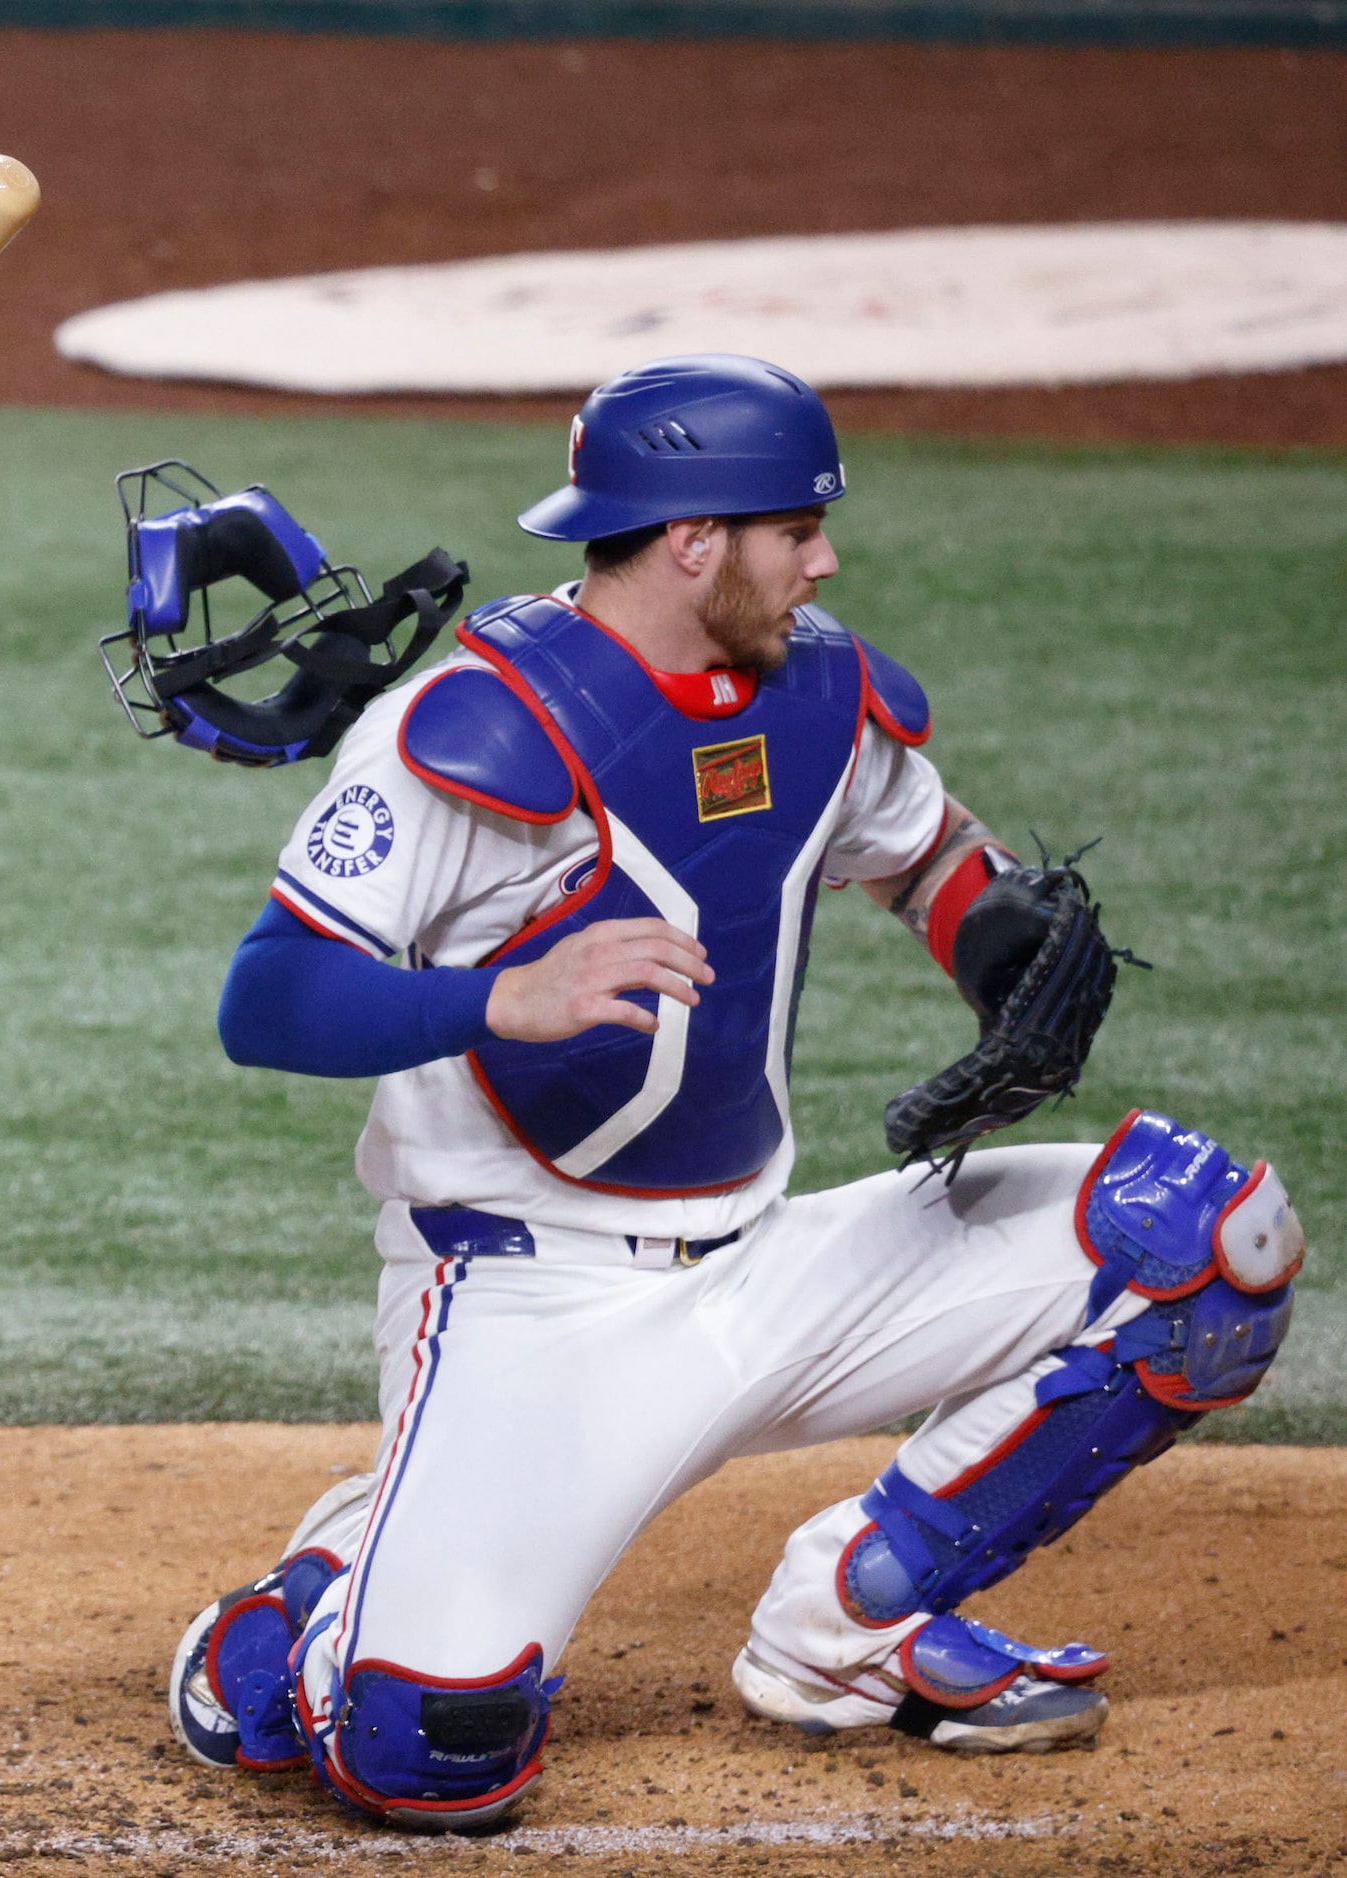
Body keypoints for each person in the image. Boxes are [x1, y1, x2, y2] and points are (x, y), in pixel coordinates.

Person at [165, 354, 1306, 1830]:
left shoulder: (818, 688)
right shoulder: (472, 729)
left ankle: (848, 1623)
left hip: (766, 1268)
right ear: (692, 537)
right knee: (427, 1754)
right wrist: (497, 993)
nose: (822, 557)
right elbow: (264, 1000)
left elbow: (920, 856)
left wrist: (997, 941)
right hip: (530, 1300)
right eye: (794, 527)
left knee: (1210, 1246)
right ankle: (309, 1603)